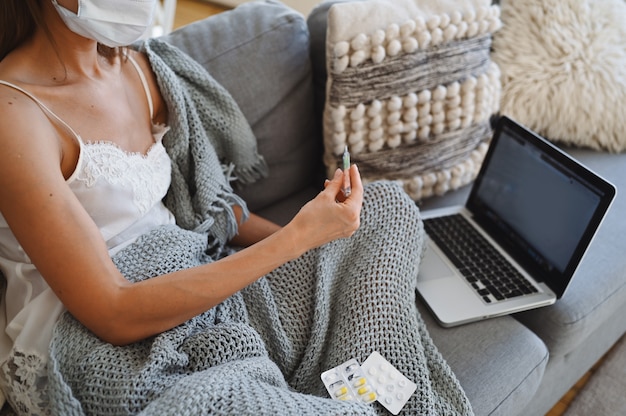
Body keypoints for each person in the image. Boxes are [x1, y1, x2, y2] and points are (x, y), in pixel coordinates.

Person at [0, 1, 473, 415]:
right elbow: (112, 311)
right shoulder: (15, 115)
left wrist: (323, 229)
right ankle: (349, 391)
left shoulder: (141, 68)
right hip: (104, 341)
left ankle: (359, 382)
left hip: (195, 275)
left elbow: (212, 212)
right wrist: (298, 239)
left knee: (386, 209)